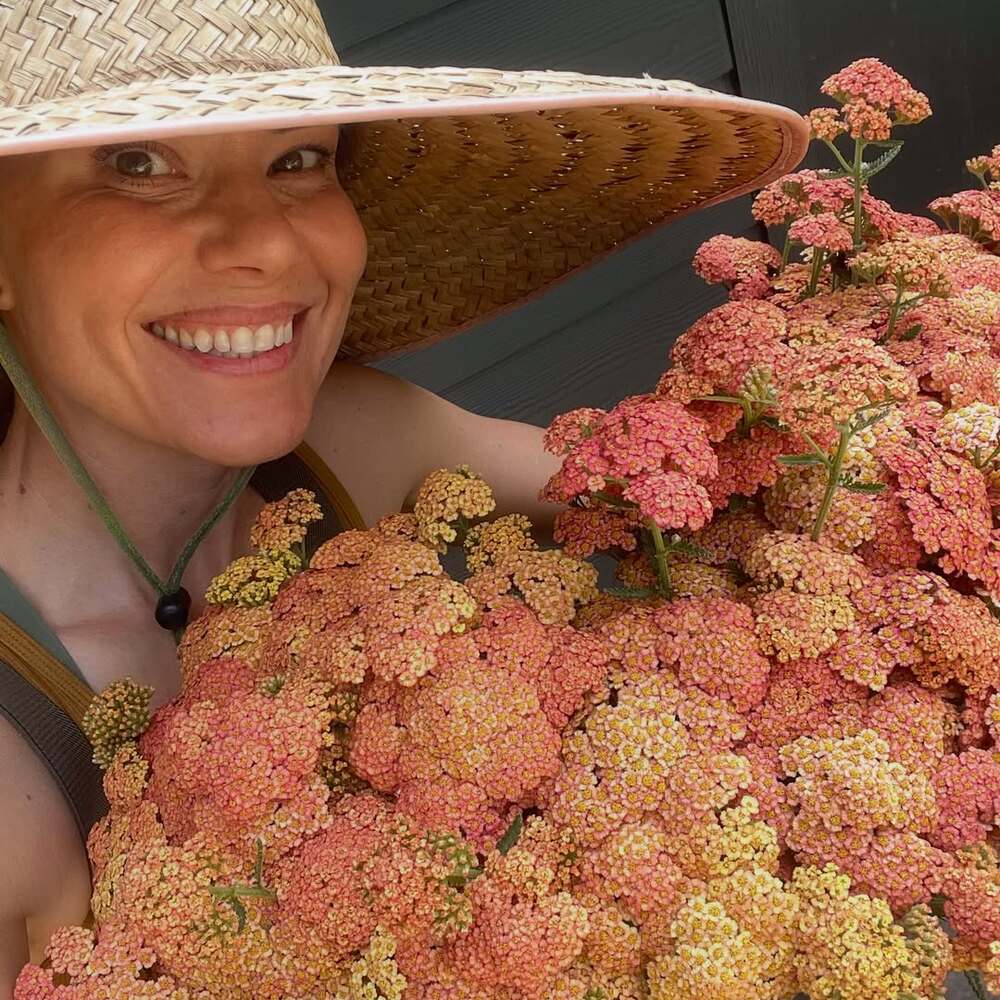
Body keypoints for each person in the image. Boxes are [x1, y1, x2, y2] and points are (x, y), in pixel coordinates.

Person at [0, 0, 809, 985]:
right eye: (138, 164)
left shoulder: (355, 442)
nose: (262, 241)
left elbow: (674, 481)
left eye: (298, 158)